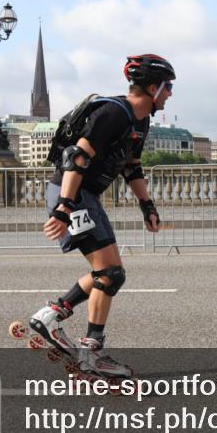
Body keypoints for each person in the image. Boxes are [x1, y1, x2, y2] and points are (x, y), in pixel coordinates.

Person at [30, 54, 175, 378]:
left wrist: (147, 206)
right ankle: (92, 353)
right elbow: (76, 157)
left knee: (107, 272)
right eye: (168, 88)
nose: (170, 95)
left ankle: (52, 315)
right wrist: (65, 207)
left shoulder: (141, 119)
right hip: (73, 192)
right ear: (153, 88)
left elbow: (131, 165)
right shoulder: (114, 113)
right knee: (111, 272)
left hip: (85, 195)